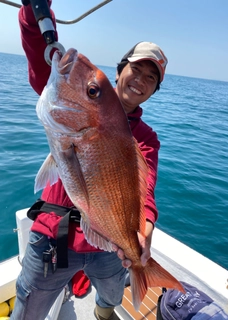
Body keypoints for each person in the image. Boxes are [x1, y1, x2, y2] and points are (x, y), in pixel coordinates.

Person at [11, 2, 168, 320]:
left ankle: (103, 311)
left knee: (110, 298)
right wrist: (34, 13)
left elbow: (145, 190)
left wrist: (143, 231)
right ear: (121, 69)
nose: (140, 79)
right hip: (53, 236)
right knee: (27, 311)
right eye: (136, 69)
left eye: (151, 78)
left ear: (153, 90)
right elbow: (42, 54)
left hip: (108, 245)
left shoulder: (147, 139)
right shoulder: (81, 94)